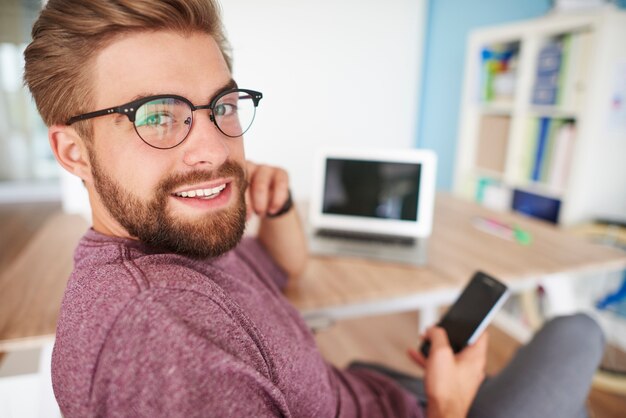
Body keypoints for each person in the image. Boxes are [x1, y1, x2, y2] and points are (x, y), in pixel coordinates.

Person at [23, 1, 605, 417]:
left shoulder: (181, 238)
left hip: (371, 390)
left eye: (222, 105)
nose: (214, 147)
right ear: (73, 151)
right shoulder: (166, 347)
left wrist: (276, 207)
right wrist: (449, 405)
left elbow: (288, 267)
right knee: (577, 332)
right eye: (157, 115)